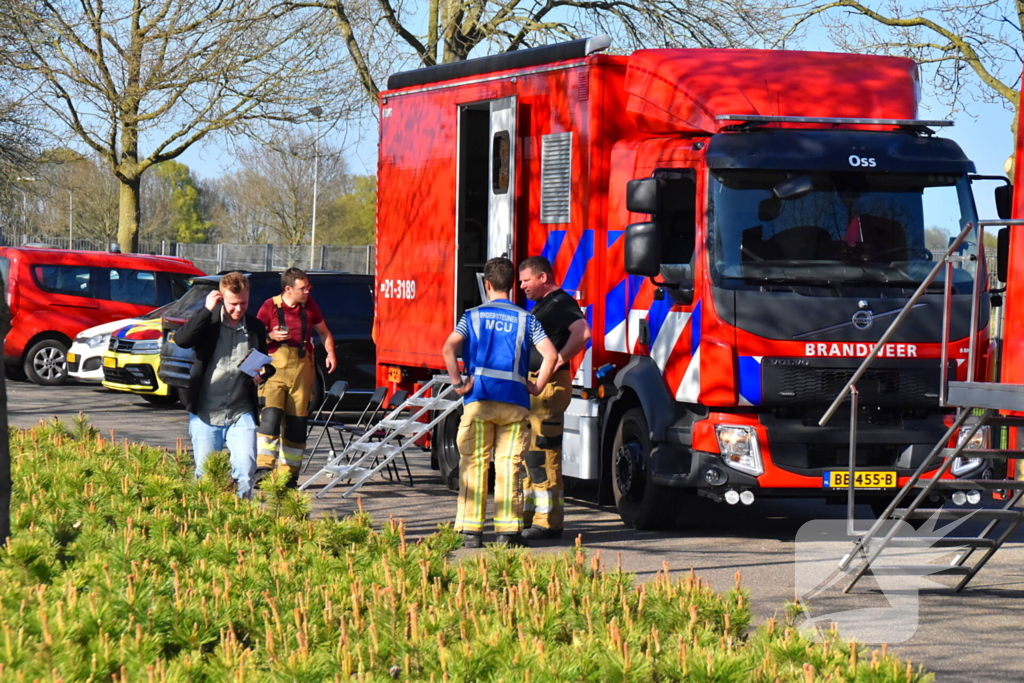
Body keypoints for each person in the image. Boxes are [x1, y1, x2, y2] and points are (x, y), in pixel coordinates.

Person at [442, 257, 558, 548]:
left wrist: (458, 384)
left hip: (480, 400)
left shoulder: (472, 316)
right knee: (510, 467)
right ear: (511, 286)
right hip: (515, 402)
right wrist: (536, 385)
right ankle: (508, 532)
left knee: (474, 464)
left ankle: (471, 532)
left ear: (487, 284)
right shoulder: (526, 319)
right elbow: (551, 355)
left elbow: (448, 348)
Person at [175, 272, 273, 498]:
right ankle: (206, 521)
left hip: (241, 411)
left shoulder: (255, 326)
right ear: (221, 298)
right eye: (233, 304)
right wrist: (206, 309)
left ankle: (239, 520)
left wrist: (264, 372)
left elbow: (264, 361)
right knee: (206, 474)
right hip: (206, 412)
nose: (239, 309)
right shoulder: (208, 323)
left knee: (246, 470)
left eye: (244, 303)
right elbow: (182, 339)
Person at [517, 255, 592, 540]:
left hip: (546, 387)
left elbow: (583, 332)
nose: (522, 286)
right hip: (537, 386)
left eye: (526, 280)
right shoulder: (544, 306)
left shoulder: (560, 303)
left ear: (542, 277)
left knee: (544, 456)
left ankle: (548, 522)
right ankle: (531, 516)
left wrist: (557, 361)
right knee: (530, 456)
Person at [255, 267, 337, 484]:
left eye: (308, 287)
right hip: (275, 372)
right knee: (270, 419)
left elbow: (325, 332)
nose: (308, 292)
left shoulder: (309, 306)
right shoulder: (270, 306)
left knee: (297, 425)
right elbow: (254, 338)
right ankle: (263, 469)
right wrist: (271, 336)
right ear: (289, 289)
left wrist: (330, 353)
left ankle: (289, 476)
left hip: (302, 373)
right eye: (303, 288)